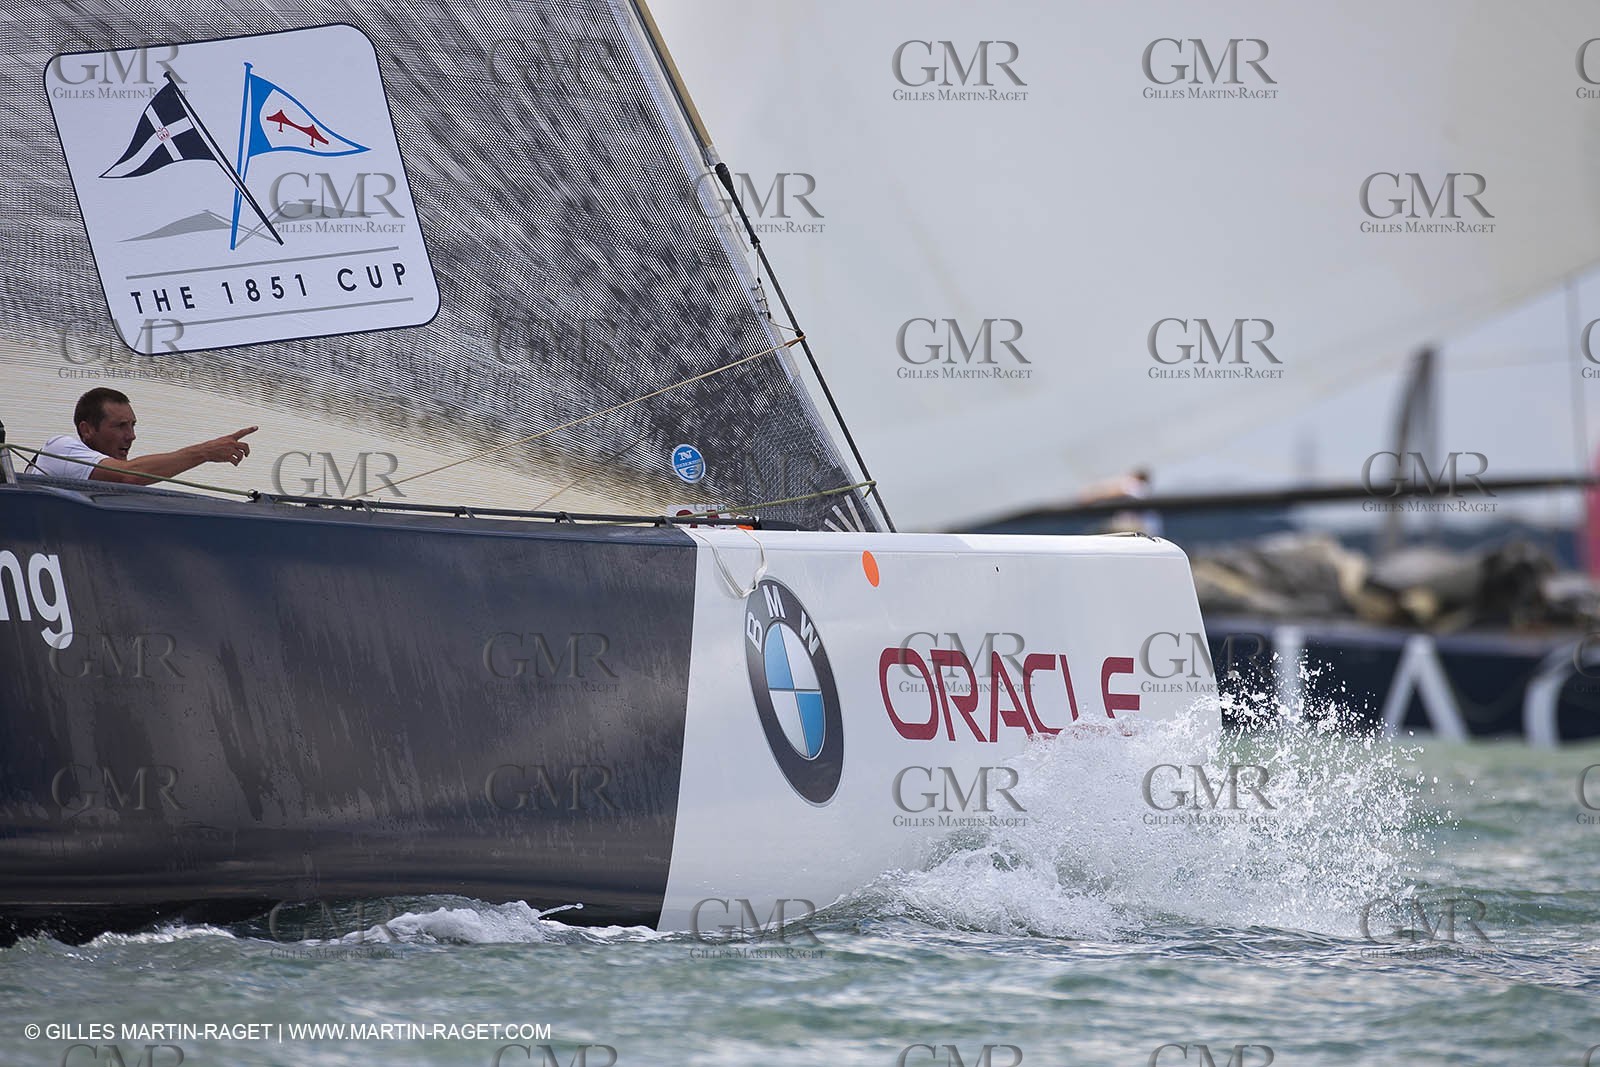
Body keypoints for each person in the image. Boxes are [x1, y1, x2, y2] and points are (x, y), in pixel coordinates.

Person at [26, 387, 257, 485]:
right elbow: (128, 475)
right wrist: (204, 452)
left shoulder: (106, 481)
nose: (131, 436)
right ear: (86, 430)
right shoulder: (59, 448)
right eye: (120, 426)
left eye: (133, 425)